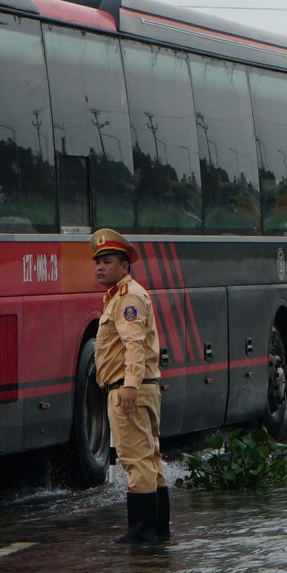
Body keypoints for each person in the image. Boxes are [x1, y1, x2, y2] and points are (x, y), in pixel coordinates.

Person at [92, 228, 169, 544]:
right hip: (139, 386)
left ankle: (142, 530)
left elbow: (134, 344)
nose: (100, 267)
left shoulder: (128, 298)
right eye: (97, 262)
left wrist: (129, 387)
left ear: (124, 266)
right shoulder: (121, 296)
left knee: (136, 460)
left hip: (129, 388)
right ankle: (158, 529)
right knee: (150, 460)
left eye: (107, 261)